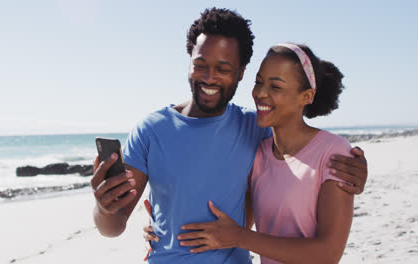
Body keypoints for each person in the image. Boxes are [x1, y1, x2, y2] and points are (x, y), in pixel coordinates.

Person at [90, 8, 368, 263]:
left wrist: (356, 168)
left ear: (241, 72)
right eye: (200, 65)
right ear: (189, 61)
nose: (210, 78)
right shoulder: (150, 131)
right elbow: (113, 227)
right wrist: (103, 208)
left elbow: (303, 146)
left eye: (223, 69)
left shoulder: (255, 127)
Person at [173, 43, 358, 263]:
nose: (261, 93)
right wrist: (162, 228)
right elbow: (230, 223)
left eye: (276, 87)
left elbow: (328, 254)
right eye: (258, 82)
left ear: (306, 96)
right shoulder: (258, 155)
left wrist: (240, 237)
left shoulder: (334, 153)